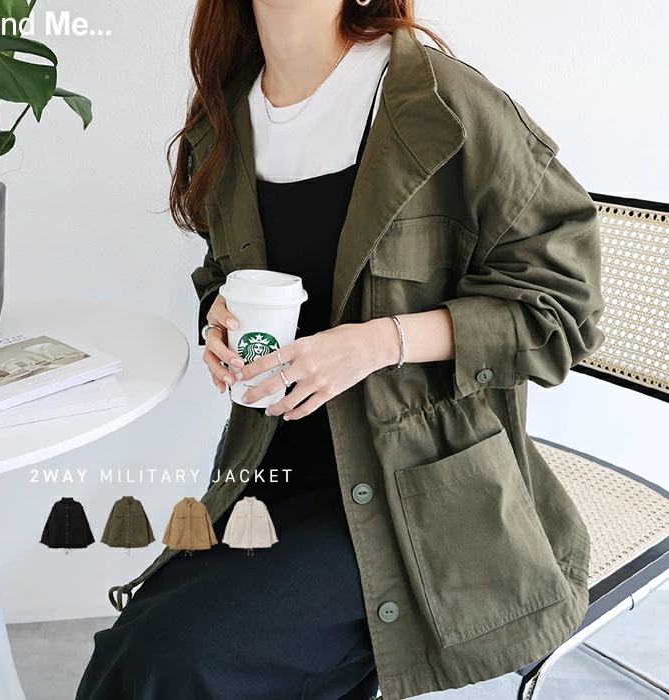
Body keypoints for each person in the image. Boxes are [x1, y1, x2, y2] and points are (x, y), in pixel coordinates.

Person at [76, 1, 605, 699]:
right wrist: (219, 321)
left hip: (414, 495)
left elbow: (563, 308)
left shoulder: (443, 105)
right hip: (267, 466)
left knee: (167, 661)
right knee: (139, 648)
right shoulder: (226, 118)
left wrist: (378, 343)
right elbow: (221, 271)